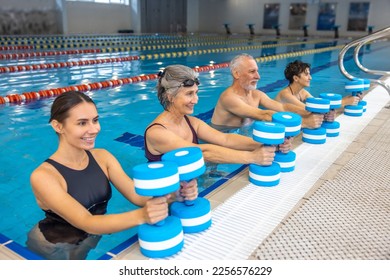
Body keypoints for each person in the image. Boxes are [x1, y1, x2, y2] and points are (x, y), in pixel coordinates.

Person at [27, 90, 197, 260]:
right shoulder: (44, 176)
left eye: (95, 120)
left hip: (92, 236)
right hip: (53, 247)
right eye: (82, 123)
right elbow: (86, 222)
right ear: (58, 126)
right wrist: (142, 216)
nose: (94, 129)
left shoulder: (103, 157)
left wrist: (176, 194)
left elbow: (136, 196)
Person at [143, 64, 289, 168]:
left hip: (188, 188)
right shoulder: (157, 132)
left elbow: (225, 139)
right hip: (164, 199)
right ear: (170, 96)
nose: (196, 100)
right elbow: (203, 152)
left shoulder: (191, 122)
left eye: (196, 93)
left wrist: (269, 146)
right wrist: (252, 157)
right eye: (189, 94)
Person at [210, 53, 324, 131]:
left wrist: (311, 113)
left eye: (257, 71)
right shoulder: (228, 98)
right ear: (236, 74)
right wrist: (304, 123)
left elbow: (284, 107)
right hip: (221, 138)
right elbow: (263, 114)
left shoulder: (256, 95)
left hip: (242, 133)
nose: (258, 76)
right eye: (252, 72)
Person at [275, 60, 361, 117]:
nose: (310, 78)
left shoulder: (302, 92)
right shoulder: (285, 94)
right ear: (296, 78)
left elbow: (318, 103)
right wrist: (344, 102)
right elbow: (309, 109)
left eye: (309, 74)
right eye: (306, 74)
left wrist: (347, 99)